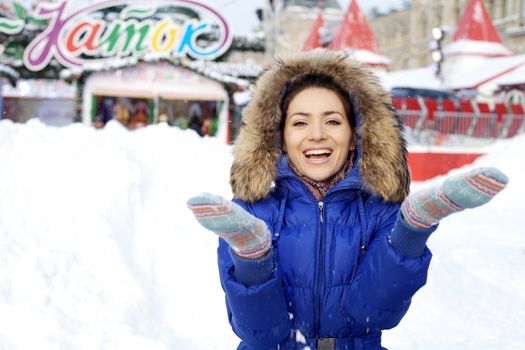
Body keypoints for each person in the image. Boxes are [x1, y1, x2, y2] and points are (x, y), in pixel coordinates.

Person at [187, 50, 508, 349]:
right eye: (299, 122)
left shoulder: (380, 212)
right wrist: (253, 256)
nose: (316, 134)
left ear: (355, 136)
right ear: (279, 137)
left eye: (332, 120)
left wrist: (411, 229)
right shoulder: (250, 214)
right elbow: (260, 330)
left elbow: (376, 311)